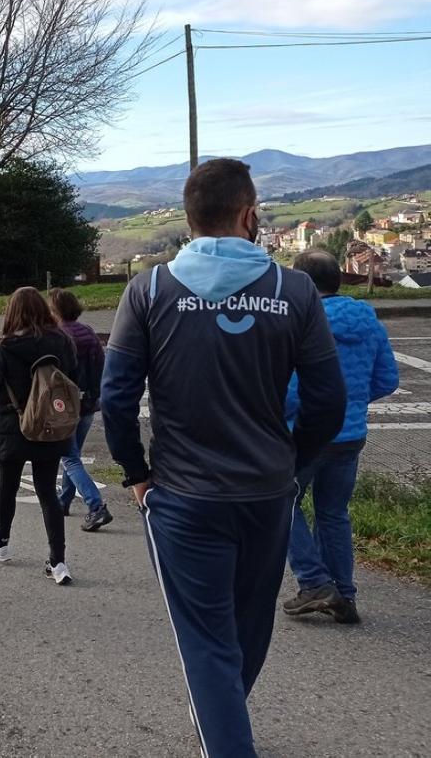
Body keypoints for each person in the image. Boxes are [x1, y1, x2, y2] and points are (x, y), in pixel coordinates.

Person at [101, 158, 346, 758]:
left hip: (184, 498)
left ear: (190, 219)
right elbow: (328, 400)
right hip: (267, 494)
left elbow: (115, 398)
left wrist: (137, 474)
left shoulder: (150, 290)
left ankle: (221, 728)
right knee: (246, 631)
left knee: (208, 645)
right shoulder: (295, 290)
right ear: (248, 213)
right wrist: (293, 463)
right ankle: (220, 720)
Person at [282, 249, 399, 625]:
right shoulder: (368, 320)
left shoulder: (301, 321)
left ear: (302, 284)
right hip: (350, 435)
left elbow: (294, 392)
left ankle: (314, 583)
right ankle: (344, 595)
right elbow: (387, 380)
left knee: (281, 504)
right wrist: (353, 402)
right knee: (333, 514)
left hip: (306, 434)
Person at [0, 288, 80, 585]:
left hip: (13, 425)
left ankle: (2, 541)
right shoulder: (62, 341)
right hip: (51, 425)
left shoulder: (6, 347)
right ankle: (58, 562)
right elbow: (74, 375)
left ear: (13, 312)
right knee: (48, 492)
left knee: (8, 488)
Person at [48, 288, 111, 532]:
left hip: (65, 406)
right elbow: (101, 369)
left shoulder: (57, 337)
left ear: (54, 310)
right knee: (73, 454)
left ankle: (96, 506)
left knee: (69, 457)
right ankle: (63, 501)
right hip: (88, 404)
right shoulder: (89, 333)